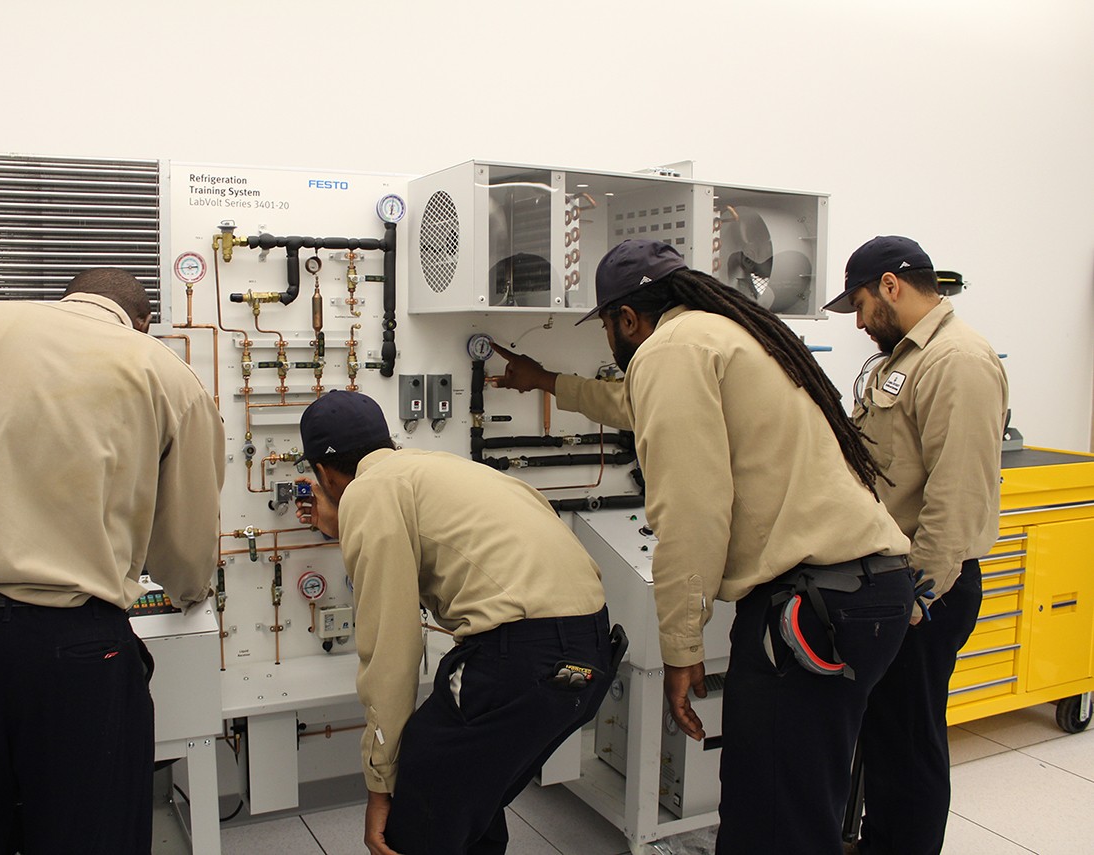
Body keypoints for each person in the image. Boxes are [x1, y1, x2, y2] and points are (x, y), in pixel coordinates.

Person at [490, 239, 916, 854]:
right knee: (799, 799)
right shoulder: (722, 335)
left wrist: (682, 645)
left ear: (627, 319)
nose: (610, 339)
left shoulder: (670, 352)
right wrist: (547, 382)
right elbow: (634, 404)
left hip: (811, 609)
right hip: (867, 590)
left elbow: (691, 513)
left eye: (607, 325)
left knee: (769, 816)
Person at [0, 268, 225, 855]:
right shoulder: (164, 370)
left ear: (65, 296)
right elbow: (187, 543)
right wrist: (188, 591)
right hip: (73, 651)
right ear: (143, 321)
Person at [294, 390, 621, 855]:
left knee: (417, 804)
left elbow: (391, 649)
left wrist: (380, 785)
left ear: (324, 474)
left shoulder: (368, 491)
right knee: (470, 792)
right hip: (586, 658)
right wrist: (345, 520)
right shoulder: (438, 467)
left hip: (521, 659)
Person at [826, 236, 1008, 855]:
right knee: (886, 734)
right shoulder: (899, 359)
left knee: (908, 742)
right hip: (889, 578)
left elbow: (956, 498)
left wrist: (917, 596)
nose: (857, 320)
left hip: (926, 587)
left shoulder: (957, 360)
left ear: (890, 287)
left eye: (858, 304)